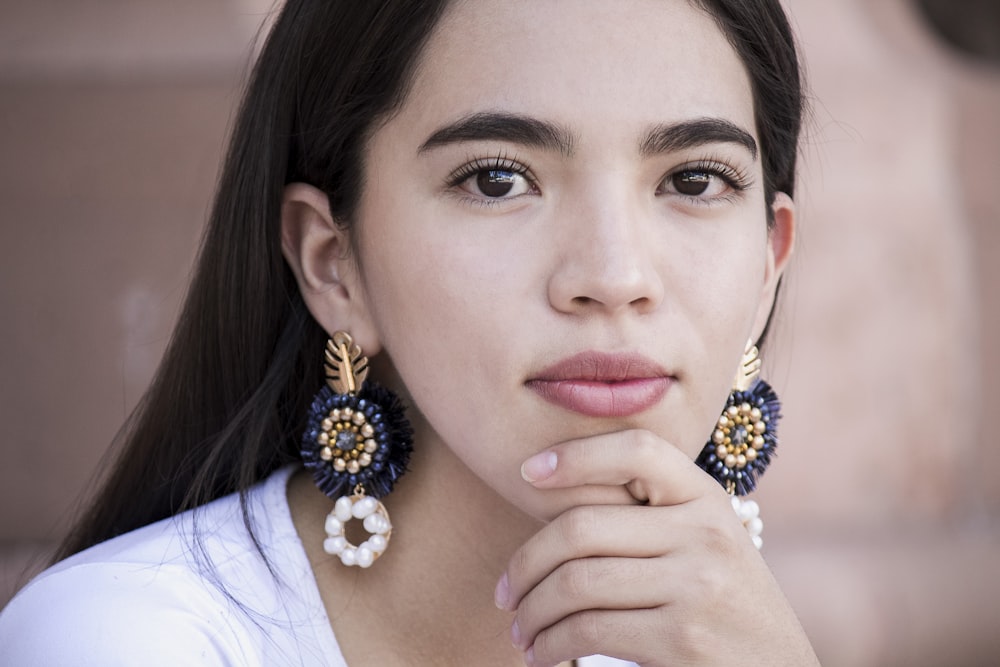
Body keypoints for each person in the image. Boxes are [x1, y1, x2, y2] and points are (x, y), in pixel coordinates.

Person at [0, 0, 820, 664]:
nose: (613, 276)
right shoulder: (126, 639)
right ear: (333, 263)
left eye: (694, 179)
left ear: (766, 268)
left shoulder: (716, 645)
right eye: (498, 179)